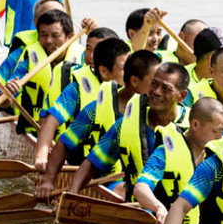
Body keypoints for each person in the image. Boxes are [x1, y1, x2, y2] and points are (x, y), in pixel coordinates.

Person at [78, 60, 190, 201]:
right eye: (154, 84)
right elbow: (92, 163)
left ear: (182, 96)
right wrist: (71, 196)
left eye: (166, 89)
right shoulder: (128, 123)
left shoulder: (193, 128)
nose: (156, 92)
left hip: (175, 213)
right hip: (136, 208)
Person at [30, 24, 121, 176]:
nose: (92, 56)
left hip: (116, 169)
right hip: (77, 161)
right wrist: (41, 155)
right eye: (88, 49)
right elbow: (51, 120)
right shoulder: (77, 85)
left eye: (98, 51)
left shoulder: (130, 84)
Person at [132, 96, 223, 224]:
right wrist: (159, 207)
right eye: (215, 131)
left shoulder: (219, 156)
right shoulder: (166, 151)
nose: (220, 137)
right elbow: (140, 188)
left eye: (222, 131)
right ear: (195, 124)